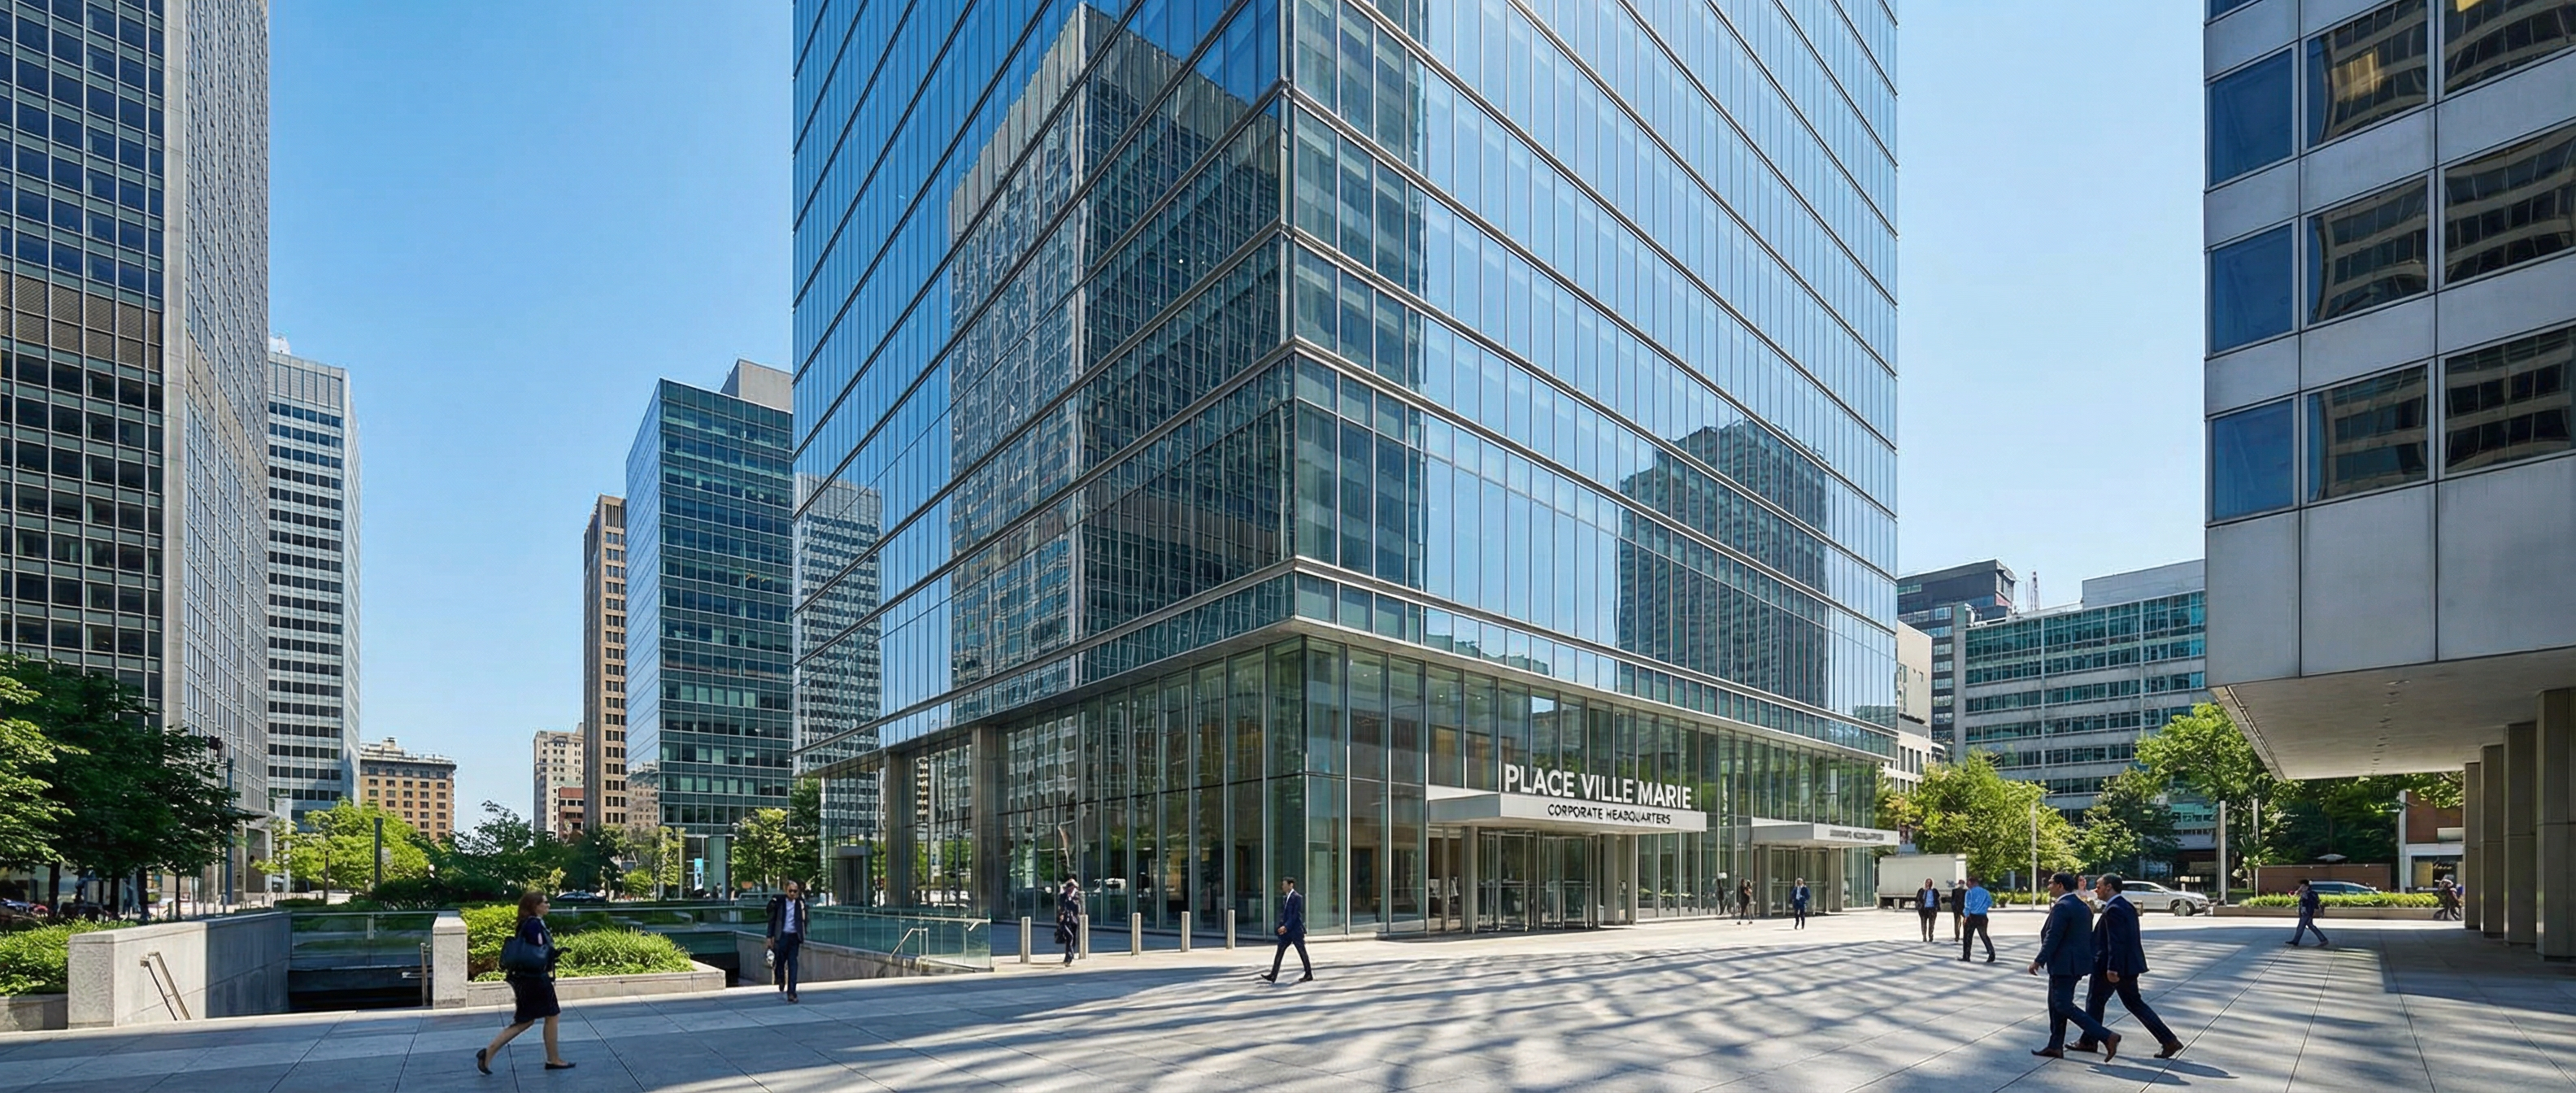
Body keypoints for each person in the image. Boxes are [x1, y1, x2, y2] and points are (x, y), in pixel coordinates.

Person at [2072, 875, 2183, 1060]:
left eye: (2098, 886)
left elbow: (2117, 942)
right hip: (2127, 965)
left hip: (2113, 968)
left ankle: (2089, 1041)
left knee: (2099, 1002)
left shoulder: (2114, 909)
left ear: (2109, 887)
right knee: (2124, 1003)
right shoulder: (2125, 905)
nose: (2096, 889)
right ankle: (2168, 1040)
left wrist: (2112, 968)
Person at [476, 891, 573, 1074]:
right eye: (544, 902)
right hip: (534, 979)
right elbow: (539, 949)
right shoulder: (534, 924)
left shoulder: (527, 923)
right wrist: (552, 952)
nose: (548, 905)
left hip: (526, 978)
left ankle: (488, 1053)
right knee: (548, 1015)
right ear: (534, 906)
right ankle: (553, 1059)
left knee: (528, 1020)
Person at [2027, 872, 2119, 1060]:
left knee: (2063, 1004)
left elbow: (2053, 936)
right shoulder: (2082, 906)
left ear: (2060, 886)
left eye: (2051, 883)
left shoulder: (2062, 906)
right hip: (2075, 964)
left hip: (2063, 964)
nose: (2048, 886)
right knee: (2055, 1004)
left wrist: (2039, 960)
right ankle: (2055, 1046)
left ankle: (2106, 1036)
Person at [1260, 877, 1311, 983]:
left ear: (1290, 885)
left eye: (1284, 884)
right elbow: (1284, 915)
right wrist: (1280, 926)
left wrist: (1286, 927)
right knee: (1279, 952)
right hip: (1287, 932)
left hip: (1295, 931)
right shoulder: (1285, 898)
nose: (1282, 886)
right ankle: (1273, 975)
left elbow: (1294, 916)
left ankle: (1308, 973)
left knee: (1302, 952)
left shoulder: (1297, 897)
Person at [765, 880, 808, 1003]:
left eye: (795, 891)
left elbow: (805, 919)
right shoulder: (780, 902)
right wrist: (770, 936)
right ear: (786, 891)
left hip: (794, 937)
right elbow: (772, 919)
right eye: (791, 891)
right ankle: (781, 979)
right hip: (781, 936)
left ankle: (792, 993)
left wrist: (803, 933)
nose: (793, 893)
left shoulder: (800, 903)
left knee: (793, 964)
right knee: (780, 962)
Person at [1960, 876, 1995, 963]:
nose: (1968, 886)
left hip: (1972, 916)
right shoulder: (1986, 892)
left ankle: (1966, 956)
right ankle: (1991, 953)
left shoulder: (1970, 893)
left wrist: (1966, 916)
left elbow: (1967, 905)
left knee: (1968, 937)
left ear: (1972, 883)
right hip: (1983, 917)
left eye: (1968, 883)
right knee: (1984, 936)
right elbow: (1990, 903)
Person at [2287, 880, 2328, 947]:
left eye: (2303, 886)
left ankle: (2295, 941)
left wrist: (2299, 892)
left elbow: (2307, 903)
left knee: (2301, 927)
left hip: (2307, 913)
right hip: (2307, 913)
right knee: (2311, 926)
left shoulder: (2308, 894)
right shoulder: (2307, 893)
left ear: (2307, 887)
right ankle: (2323, 939)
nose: (2301, 887)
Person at [1054, 879, 1081, 965]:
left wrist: (1071, 899)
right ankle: (1069, 956)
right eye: (1069, 888)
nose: (1071, 890)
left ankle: (1069, 956)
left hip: (1074, 919)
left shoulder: (1078, 896)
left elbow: (1079, 907)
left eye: (1072, 888)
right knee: (1069, 937)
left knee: (1072, 938)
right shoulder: (1063, 896)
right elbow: (1061, 907)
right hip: (1065, 919)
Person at [1916, 878, 1940, 942]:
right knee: (1923, 923)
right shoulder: (1922, 891)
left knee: (1931, 924)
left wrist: (1937, 907)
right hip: (1924, 909)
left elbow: (1938, 898)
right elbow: (1918, 898)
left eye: (1930, 883)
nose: (1928, 884)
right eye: (1927, 882)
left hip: (1932, 909)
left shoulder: (1934, 891)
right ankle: (1924, 936)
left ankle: (1930, 935)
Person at [1949, 878, 1967, 943]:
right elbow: (1952, 899)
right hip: (1959, 909)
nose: (1961, 885)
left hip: (1962, 909)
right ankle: (1957, 936)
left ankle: (1960, 936)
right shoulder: (1955, 891)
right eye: (1961, 884)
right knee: (1958, 923)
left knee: (1962, 923)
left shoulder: (1966, 891)